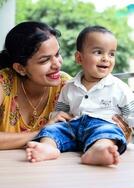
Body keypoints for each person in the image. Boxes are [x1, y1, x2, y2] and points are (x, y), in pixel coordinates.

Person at [0, 22, 131, 151]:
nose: (57, 64)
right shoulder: (3, 83)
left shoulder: (66, 84)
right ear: (20, 68)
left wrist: (118, 133)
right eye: (45, 60)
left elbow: (84, 132)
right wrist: (43, 132)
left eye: (57, 54)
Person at [26, 25, 134, 165]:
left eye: (111, 53)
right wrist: (56, 121)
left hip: (103, 125)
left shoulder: (118, 87)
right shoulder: (69, 86)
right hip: (73, 126)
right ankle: (48, 148)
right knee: (51, 130)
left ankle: (98, 150)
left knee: (107, 133)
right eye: (98, 52)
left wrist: (129, 129)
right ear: (79, 57)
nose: (106, 58)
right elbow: (60, 112)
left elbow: (131, 114)